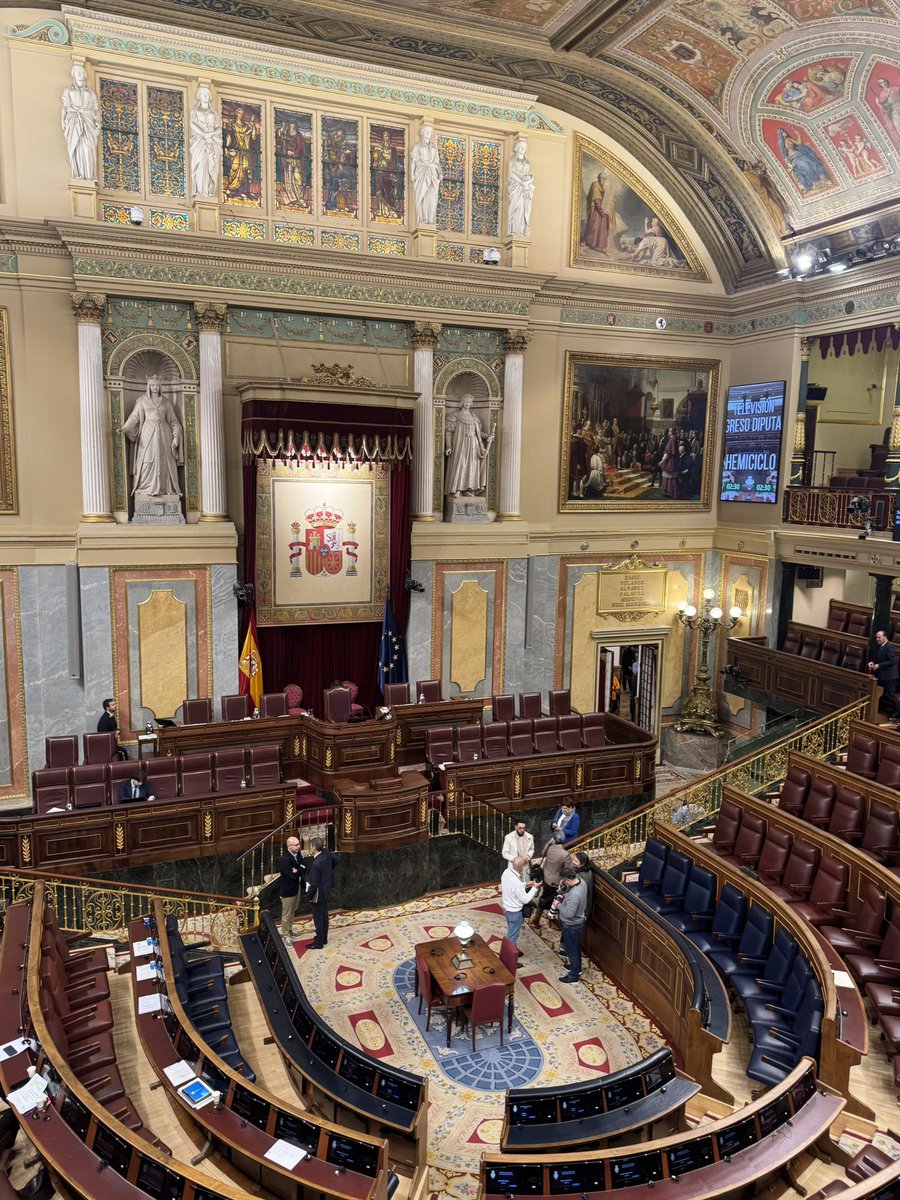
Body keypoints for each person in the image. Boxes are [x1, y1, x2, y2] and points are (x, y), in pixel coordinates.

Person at [122, 376, 183, 498]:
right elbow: (135, 416)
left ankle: (165, 489)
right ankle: (144, 488)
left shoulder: (166, 402)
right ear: (148, 386)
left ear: (160, 386)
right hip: (147, 433)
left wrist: (176, 437)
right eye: (152, 385)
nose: (155, 387)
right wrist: (126, 427)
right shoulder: (142, 400)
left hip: (164, 434)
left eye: (157, 385)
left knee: (165, 461)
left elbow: (174, 422)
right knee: (146, 461)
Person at [445, 394, 493, 497]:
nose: (468, 404)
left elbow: (479, 432)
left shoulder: (474, 417)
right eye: (466, 402)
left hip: (473, 446)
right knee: (460, 465)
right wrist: (448, 446)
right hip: (459, 445)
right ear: (461, 403)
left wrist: (488, 436)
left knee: (471, 466)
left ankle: (468, 489)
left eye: (469, 402)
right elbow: (448, 432)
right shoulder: (455, 415)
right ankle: (457, 489)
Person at [61, 64, 100, 181]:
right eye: (77, 72)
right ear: (73, 74)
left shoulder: (90, 93)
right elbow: (65, 108)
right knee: (77, 147)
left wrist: (97, 122)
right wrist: (63, 121)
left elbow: (96, 110)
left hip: (88, 120)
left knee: (88, 147)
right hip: (73, 120)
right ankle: (79, 174)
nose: (80, 74)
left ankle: (89, 175)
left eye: (82, 72)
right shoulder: (68, 91)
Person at [551, 864, 587, 984]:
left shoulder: (574, 895)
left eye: (564, 881)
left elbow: (569, 913)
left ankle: (573, 976)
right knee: (575, 947)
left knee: (572, 950)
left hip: (571, 925)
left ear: (568, 880)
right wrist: (563, 892)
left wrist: (558, 903)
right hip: (578, 921)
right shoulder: (581, 882)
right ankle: (576, 968)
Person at [529, 833, 570, 929]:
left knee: (545, 898)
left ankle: (538, 918)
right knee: (555, 900)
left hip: (546, 877)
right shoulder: (565, 854)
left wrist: (549, 842)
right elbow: (568, 870)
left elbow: (543, 853)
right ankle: (543, 919)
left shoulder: (550, 848)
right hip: (556, 882)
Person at [501, 855, 539, 952]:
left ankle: (512, 950)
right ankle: (510, 959)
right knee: (512, 937)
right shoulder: (517, 884)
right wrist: (534, 887)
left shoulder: (506, 872)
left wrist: (525, 884)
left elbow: (512, 886)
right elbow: (525, 899)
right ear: (522, 869)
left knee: (511, 932)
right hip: (515, 913)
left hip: (506, 909)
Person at [189, 85, 221, 198]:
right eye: (203, 94)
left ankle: (209, 191)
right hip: (200, 141)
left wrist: (210, 134)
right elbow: (193, 124)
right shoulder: (195, 111)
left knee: (211, 164)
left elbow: (219, 127)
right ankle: (202, 191)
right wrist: (203, 134)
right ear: (199, 96)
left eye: (207, 94)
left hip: (212, 141)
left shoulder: (214, 113)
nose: (205, 96)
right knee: (202, 161)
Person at [305, 836, 336, 949]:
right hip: (326, 890)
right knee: (324, 916)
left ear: (314, 848)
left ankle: (318, 943)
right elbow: (336, 859)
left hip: (317, 894)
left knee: (318, 918)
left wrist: (308, 896)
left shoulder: (316, 864)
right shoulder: (326, 854)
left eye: (311, 846)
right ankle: (324, 938)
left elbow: (314, 885)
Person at [411, 124, 442, 224]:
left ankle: (430, 219)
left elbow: (437, 163)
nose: (429, 134)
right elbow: (413, 161)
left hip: (432, 173)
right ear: (422, 133)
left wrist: (440, 173)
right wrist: (412, 174)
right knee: (422, 195)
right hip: (422, 172)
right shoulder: (417, 147)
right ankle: (423, 219)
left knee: (432, 195)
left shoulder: (434, 147)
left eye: (430, 132)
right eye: (427, 131)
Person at [278, 835, 305, 943]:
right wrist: (299, 870)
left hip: (296, 887)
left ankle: (289, 929)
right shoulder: (284, 859)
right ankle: (285, 936)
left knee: (293, 910)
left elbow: (303, 865)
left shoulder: (297, 853)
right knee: (286, 914)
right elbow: (292, 875)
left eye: (299, 844)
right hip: (288, 891)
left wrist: (297, 870)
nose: (299, 846)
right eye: (296, 845)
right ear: (289, 846)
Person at [507, 137, 535, 237]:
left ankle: (522, 230)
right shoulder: (512, 161)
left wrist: (527, 183)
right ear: (517, 148)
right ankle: (514, 230)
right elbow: (511, 174)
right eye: (521, 146)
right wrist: (521, 182)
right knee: (516, 208)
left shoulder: (527, 163)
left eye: (524, 147)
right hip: (516, 188)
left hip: (525, 189)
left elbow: (531, 176)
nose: (523, 148)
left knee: (524, 210)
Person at [869, 630, 899, 719]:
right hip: (883, 676)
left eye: (879, 637)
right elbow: (880, 659)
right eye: (876, 637)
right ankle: (884, 712)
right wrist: (873, 663)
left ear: (885, 637)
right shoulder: (881, 647)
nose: (877, 639)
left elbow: (892, 660)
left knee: (891, 695)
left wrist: (879, 665)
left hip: (890, 676)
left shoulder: (889, 646)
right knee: (883, 695)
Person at [582, 172, 609, 252]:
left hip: (601, 209)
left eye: (604, 179)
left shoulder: (601, 186)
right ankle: (588, 241)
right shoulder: (596, 186)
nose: (603, 180)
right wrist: (601, 210)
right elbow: (596, 200)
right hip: (596, 210)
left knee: (602, 228)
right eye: (602, 178)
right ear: (599, 178)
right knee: (594, 226)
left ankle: (601, 246)